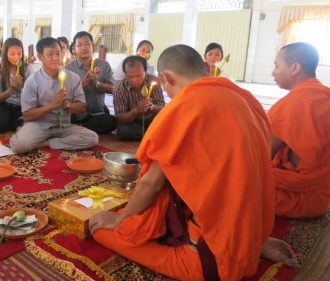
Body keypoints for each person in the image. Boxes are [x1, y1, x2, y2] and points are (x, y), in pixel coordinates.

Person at [90, 44, 296, 280]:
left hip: (211, 251)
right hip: (250, 225)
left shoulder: (184, 107)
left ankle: (210, 247)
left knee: (101, 231)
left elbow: (151, 184)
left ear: (166, 78)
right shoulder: (245, 98)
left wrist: (119, 219)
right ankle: (252, 243)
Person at [269, 42, 330, 218]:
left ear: (295, 68)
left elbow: (260, 156)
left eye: (277, 65)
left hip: (293, 199)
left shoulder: (290, 105)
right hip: (322, 197)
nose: (273, 72)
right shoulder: (326, 95)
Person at [10, 37, 98, 153]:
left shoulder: (73, 78)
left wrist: (66, 105)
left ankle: (46, 143)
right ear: (40, 56)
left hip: (64, 126)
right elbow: (27, 115)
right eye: (50, 54)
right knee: (20, 146)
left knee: (92, 138)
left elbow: (82, 107)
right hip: (40, 125)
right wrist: (53, 105)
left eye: (58, 54)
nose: (55, 58)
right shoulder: (32, 81)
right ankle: (25, 132)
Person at [65, 31, 117, 134]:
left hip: (97, 112)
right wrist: (82, 86)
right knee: (63, 117)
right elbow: (66, 95)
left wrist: (97, 84)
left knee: (112, 121)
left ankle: (79, 129)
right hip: (77, 114)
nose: (84, 48)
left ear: (93, 45)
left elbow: (113, 89)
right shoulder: (69, 69)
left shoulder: (104, 65)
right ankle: (80, 128)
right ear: (74, 49)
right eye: (79, 45)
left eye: (87, 44)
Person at [113, 56, 165, 140]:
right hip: (132, 122)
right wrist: (136, 110)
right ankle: (152, 135)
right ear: (125, 73)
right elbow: (121, 119)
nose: (134, 80)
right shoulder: (119, 89)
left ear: (145, 71)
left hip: (151, 119)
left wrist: (151, 106)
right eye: (130, 77)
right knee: (124, 131)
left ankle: (151, 134)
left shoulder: (154, 82)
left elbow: (162, 109)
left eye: (139, 76)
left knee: (168, 123)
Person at [0, 38, 33, 133]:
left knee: (28, 120)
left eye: (19, 53)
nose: (16, 57)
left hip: (21, 105)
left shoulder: (27, 69)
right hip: (3, 104)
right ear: (5, 54)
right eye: (12, 54)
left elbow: (33, 94)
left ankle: (16, 124)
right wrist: (11, 89)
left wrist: (21, 88)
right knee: (1, 123)